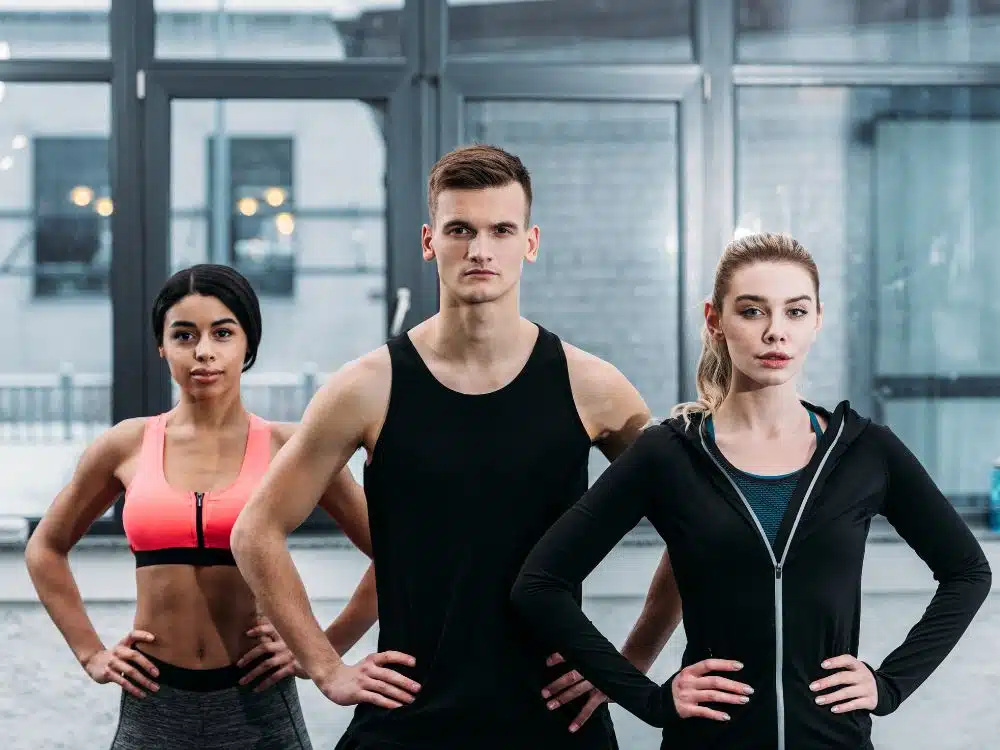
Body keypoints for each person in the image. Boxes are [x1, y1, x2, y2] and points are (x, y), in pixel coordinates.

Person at [229, 144, 692, 749]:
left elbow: (695, 527)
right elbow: (254, 531)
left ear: (530, 242)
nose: (480, 250)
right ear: (430, 241)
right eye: (460, 230)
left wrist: (627, 669)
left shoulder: (594, 388)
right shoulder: (366, 388)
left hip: (552, 724)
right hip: (408, 723)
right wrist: (326, 667)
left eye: (501, 229)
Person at [510, 232, 993, 750]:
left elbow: (968, 572)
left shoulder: (866, 452)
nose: (775, 333)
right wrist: (645, 697)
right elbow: (539, 584)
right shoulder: (668, 456)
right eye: (752, 311)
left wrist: (891, 683)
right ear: (715, 320)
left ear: (817, 321)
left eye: (795, 312)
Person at [25, 264, 380, 750]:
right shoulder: (126, 445)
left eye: (223, 332)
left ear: (248, 344)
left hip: (258, 707)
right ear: (162, 345)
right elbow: (45, 547)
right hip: (152, 703)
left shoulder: (289, 447)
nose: (204, 351)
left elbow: (394, 554)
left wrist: (324, 650)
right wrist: (91, 654)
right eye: (185, 335)